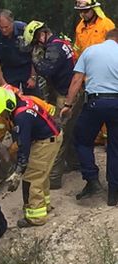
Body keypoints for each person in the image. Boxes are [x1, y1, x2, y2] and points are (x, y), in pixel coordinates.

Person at [0, 87, 62, 227]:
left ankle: (35, 216)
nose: (2, 115)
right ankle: (44, 205)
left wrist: (18, 171)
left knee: (32, 178)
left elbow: (23, 146)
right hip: (47, 137)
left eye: (3, 112)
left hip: (46, 141)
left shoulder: (22, 117)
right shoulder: (22, 103)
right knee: (40, 174)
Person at [60, 29, 118, 206]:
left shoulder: (90, 51)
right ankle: (113, 193)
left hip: (95, 103)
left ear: (105, 38)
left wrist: (68, 105)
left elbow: (77, 80)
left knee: (82, 140)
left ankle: (92, 179)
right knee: (115, 146)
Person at [23, 20, 81, 189]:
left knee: (60, 134)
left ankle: (54, 178)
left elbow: (47, 70)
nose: (37, 46)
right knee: (71, 130)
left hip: (66, 95)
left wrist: (35, 59)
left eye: (35, 43)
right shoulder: (62, 44)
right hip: (69, 91)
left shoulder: (54, 48)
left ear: (41, 35)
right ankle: (74, 162)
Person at [74, 0, 115, 145]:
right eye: (80, 11)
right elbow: (78, 50)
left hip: (104, 70)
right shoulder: (80, 27)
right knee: (92, 105)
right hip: (87, 72)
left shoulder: (106, 24)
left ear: (93, 9)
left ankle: (108, 137)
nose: (83, 14)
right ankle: (99, 135)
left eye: (85, 11)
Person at [0, 9, 39, 96]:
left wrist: (33, 77)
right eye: (1, 27)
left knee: (34, 97)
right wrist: (2, 82)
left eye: (6, 27)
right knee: (9, 97)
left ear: (12, 22)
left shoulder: (24, 29)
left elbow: (35, 53)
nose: (4, 30)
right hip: (9, 70)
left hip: (26, 67)